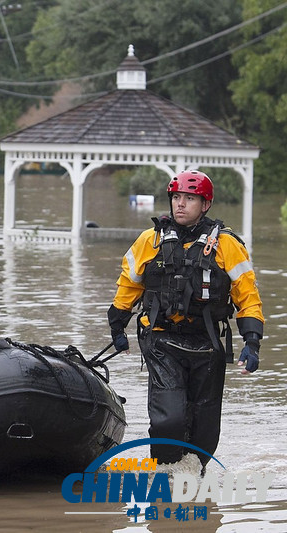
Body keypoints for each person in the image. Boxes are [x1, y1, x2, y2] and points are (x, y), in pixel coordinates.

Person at [107, 169, 264, 468]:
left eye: (189, 199)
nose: (180, 204)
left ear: (205, 205)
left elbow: (248, 297)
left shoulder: (228, 246)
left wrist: (252, 343)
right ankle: (165, 478)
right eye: (176, 197)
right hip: (161, 340)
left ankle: (194, 484)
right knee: (170, 420)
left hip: (206, 344)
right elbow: (129, 284)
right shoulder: (149, 241)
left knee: (204, 435)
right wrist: (117, 326)